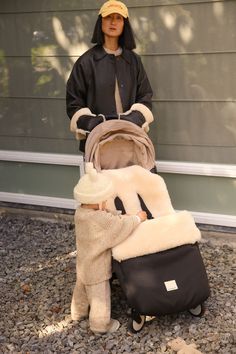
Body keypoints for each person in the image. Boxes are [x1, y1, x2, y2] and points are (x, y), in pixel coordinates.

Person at [66, 0, 154, 152]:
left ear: (124, 24)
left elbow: (145, 96)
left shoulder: (134, 61)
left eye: (118, 18)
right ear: (101, 22)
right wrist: (93, 123)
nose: (113, 22)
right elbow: (74, 104)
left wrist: (133, 120)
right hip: (98, 143)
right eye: (108, 17)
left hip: (131, 139)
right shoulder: (86, 62)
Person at [71, 162, 147, 334]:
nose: (106, 204)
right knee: (100, 299)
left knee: (81, 288)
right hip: (97, 267)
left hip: (84, 263)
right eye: (104, 201)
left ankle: (78, 313)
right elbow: (117, 228)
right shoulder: (101, 220)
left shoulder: (81, 213)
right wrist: (136, 218)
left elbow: (105, 217)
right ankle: (100, 325)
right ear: (96, 201)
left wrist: (119, 215)